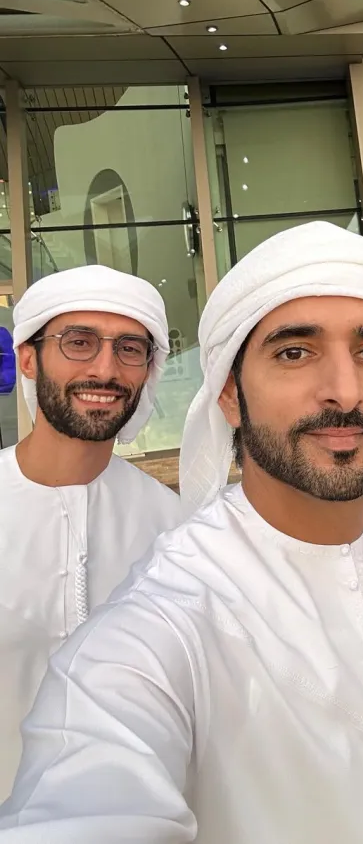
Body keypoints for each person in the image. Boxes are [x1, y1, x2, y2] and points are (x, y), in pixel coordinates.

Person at [0, 223, 363, 844]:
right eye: (294, 353)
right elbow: (91, 797)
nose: (344, 392)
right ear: (230, 395)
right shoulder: (168, 617)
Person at [0, 265, 180, 800]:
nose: (106, 369)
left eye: (130, 349)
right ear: (28, 358)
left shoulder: (176, 528)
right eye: (78, 342)